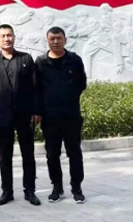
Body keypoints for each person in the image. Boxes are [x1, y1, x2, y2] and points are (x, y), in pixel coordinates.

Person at [0, 24, 40, 206]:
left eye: (9, 35)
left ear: (14, 37)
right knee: (5, 156)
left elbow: (35, 87)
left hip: (25, 115)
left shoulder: (26, 58)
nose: (6, 39)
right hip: (3, 116)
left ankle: (30, 191)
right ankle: (7, 191)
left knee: (28, 154)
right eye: (3, 36)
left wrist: (36, 111)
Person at [34, 26, 87, 204]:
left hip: (71, 115)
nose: (56, 42)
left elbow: (82, 84)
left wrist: (68, 98)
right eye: (52, 39)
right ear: (47, 41)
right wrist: (39, 111)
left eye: (59, 38)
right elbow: (36, 89)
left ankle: (76, 188)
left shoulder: (74, 60)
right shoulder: (40, 62)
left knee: (75, 153)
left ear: (65, 40)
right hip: (50, 117)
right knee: (52, 154)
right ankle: (57, 188)